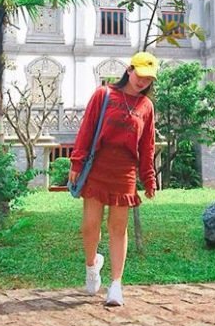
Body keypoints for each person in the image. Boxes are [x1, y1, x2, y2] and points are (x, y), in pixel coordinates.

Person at [68, 52, 158, 308]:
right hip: (98, 166)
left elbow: (147, 145)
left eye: (149, 78)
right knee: (90, 225)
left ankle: (116, 285)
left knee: (118, 228)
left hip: (125, 171)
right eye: (140, 75)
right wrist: (77, 161)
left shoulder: (146, 106)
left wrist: (148, 177)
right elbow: (87, 128)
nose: (143, 81)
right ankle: (92, 265)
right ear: (129, 70)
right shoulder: (104, 94)